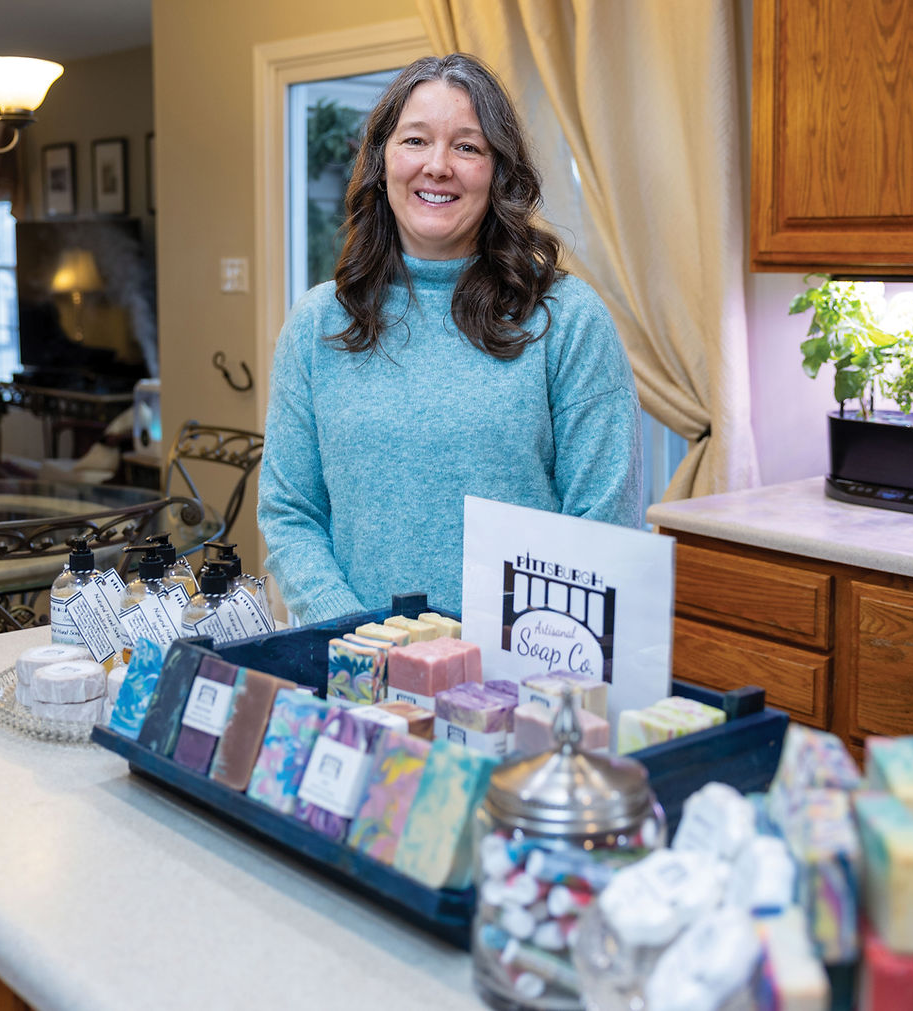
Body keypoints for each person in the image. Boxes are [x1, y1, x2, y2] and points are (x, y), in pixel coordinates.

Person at [258, 53, 642, 625]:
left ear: (498, 173)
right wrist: (362, 640)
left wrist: (501, 661)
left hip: (517, 676)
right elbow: (291, 514)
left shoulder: (568, 320)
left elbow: (601, 523)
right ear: (382, 160)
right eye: (415, 140)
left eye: (467, 146)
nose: (438, 166)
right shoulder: (318, 324)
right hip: (356, 669)